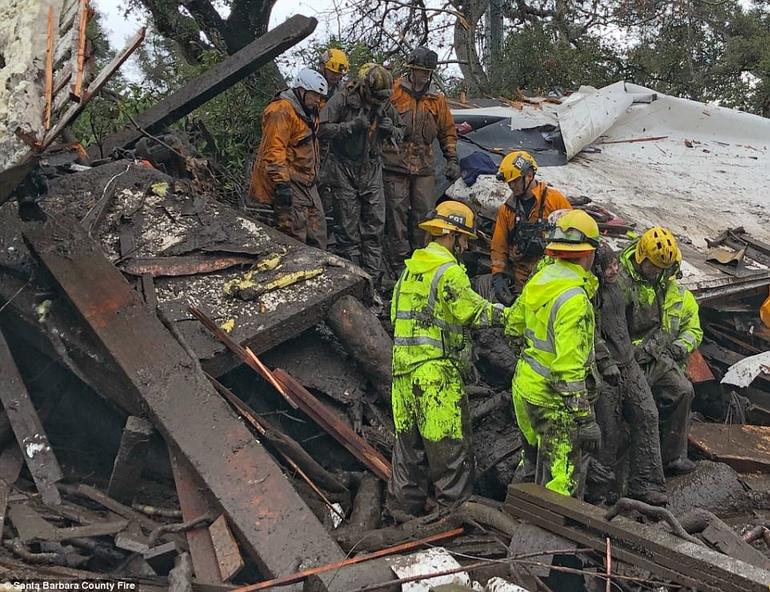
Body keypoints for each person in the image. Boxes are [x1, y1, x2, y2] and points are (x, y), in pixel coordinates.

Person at [387, 200, 509, 519]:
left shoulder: (409, 272)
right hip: (435, 374)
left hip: (401, 374)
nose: (466, 245)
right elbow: (475, 311)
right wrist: (515, 317)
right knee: (449, 452)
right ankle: (450, 520)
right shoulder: (448, 271)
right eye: (463, 238)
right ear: (451, 236)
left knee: (407, 453)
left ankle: (402, 513)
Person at [505, 210, 601, 497]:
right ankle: (544, 540)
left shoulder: (541, 279)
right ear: (588, 254)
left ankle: (518, 521)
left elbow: (512, 328)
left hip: (525, 389)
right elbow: (568, 372)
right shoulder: (574, 299)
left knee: (532, 462)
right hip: (553, 403)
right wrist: (585, 419)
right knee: (560, 485)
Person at [618, 227, 702, 475]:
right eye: (653, 266)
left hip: (659, 356)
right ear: (641, 257)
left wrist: (679, 348)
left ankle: (672, 457)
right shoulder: (621, 282)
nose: (656, 272)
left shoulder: (672, 287)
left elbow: (691, 327)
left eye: (661, 269)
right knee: (639, 408)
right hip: (628, 358)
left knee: (683, 391)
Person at [591, 243, 667, 506]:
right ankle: (598, 491)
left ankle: (645, 483)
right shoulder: (591, 293)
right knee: (609, 429)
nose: (613, 270)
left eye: (616, 265)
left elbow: (628, 323)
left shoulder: (619, 289)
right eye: (608, 267)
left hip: (628, 361)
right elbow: (590, 332)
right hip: (606, 367)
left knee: (648, 414)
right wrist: (604, 361)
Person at [319, 64, 404, 284]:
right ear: (365, 87)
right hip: (343, 167)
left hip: (372, 168)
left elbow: (402, 131)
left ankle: (373, 280)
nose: (377, 101)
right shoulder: (343, 98)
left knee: (375, 225)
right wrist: (352, 125)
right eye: (375, 96)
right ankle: (354, 280)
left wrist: (390, 129)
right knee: (347, 229)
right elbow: (322, 128)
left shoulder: (384, 103)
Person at [382, 46, 459, 276]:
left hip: (424, 167)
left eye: (427, 72)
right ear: (411, 70)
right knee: (396, 214)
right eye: (420, 71)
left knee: (424, 214)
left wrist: (452, 158)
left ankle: (422, 260)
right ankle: (399, 264)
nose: (424, 76)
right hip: (395, 164)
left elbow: (448, 131)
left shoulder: (437, 100)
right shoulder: (393, 92)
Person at [248, 68, 328, 248]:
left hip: (307, 181)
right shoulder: (281, 110)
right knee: (295, 233)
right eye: (315, 95)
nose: (318, 100)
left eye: (320, 96)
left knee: (318, 232)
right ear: (302, 90)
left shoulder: (309, 110)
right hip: (289, 180)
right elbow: (273, 151)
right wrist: (283, 185)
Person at [491, 151, 572, 304]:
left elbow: (574, 232)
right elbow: (498, 245)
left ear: (529, 175)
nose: (512, 186)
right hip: (522, 277)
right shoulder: (507, 210)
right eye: (509, 182)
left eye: (515, 181)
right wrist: (498, 276)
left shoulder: (554, 200)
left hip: (552, 275)